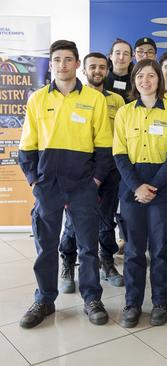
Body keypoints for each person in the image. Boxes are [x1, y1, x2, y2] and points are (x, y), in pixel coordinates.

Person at [18, 40, 112, 328]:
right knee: (46, 245)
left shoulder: (95, 99)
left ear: (76, 64)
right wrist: (34, 181)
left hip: (83, 184)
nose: (62, 64)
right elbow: (26, 148)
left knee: (87, 246)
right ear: (52, 63)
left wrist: (94, 181)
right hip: (48, 185)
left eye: (68, 59)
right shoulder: (37, 99)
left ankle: (92, 298)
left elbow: (105, 149)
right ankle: (45, 299)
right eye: (57, 59)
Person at [113, 59, 167, 328]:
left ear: (159, 80)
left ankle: (160, 304)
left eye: (151, 75)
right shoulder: (124, 113)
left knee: (161, 250)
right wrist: (137, 187)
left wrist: (152, 186)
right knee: (132, 251)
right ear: (134, 80)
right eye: (140, 76)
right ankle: (132, 303)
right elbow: (119, 154)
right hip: (132, 188)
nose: (145, 80)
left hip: (162, 190)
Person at [58, 52, 125, 294]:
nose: (97, 71)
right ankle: (67, 262)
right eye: (92, 67)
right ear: (83, 70)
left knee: (107, 221)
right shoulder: (72, 99)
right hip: (79, 171)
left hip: (109, 170)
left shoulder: (117, 101)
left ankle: (106, 261)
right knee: (73, 222)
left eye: (101, 67)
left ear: (107, 70)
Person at [105, 38, 133, 102]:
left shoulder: (137, 82)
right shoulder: (101, 80)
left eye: (126, 54)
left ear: (131, 58)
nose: (121, 58)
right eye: (118, 53)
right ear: (111, 56)